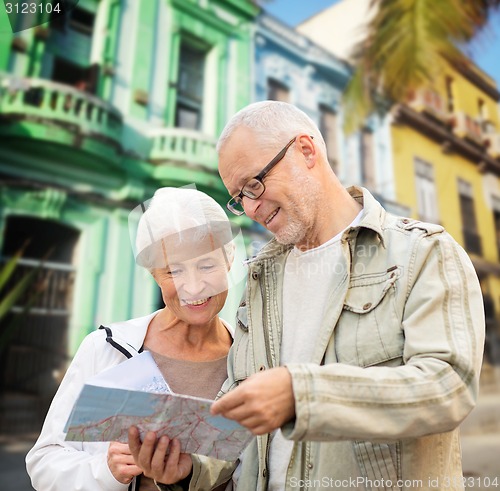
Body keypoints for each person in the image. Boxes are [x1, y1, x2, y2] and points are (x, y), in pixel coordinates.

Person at [205, 101, 485, 491]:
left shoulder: (422, 252)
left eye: (254, 185)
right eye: (239, 198)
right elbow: (236, 404)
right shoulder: (259, 278)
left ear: (306, 151)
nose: (250, 208)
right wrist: (186, 469)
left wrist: (303, 395)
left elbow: (447, 387)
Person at [26, 187, 237, 491]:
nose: (193, 286)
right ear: (154, 274)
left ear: (228, 260)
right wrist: (107, 471)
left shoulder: (248, 359)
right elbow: (44, 462)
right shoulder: (106, 348)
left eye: (206, 265)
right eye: (173, 271)